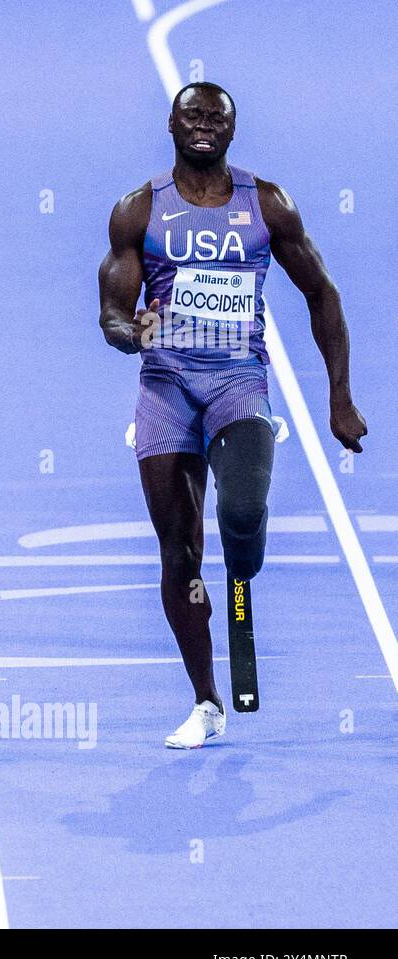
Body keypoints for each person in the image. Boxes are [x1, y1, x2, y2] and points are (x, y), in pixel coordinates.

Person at [97, 83, 366, 748]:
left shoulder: (266, 204)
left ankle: (243, 563)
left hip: (238, 384)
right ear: (171, 123)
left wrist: (339, 396)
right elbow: (110, 314)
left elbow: (321, 293)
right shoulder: (138, 211)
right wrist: (133, 332)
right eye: (194, 115)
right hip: (166, 389)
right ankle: (207, 701)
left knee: (241, 515)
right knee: (179, 553)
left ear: (233, 130)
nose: (204, 127)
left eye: (217, 118)